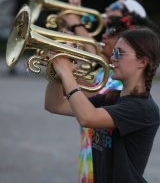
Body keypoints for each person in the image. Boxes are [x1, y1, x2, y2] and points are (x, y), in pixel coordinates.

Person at [45, 27, 160, 183]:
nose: (112, 58)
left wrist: (66, 73)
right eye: (113, 52)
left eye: (119, 53)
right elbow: (54, 105)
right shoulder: (110, 99)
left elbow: (87, 118)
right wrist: (57, 71)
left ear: (142, 61)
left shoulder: (142, 108)